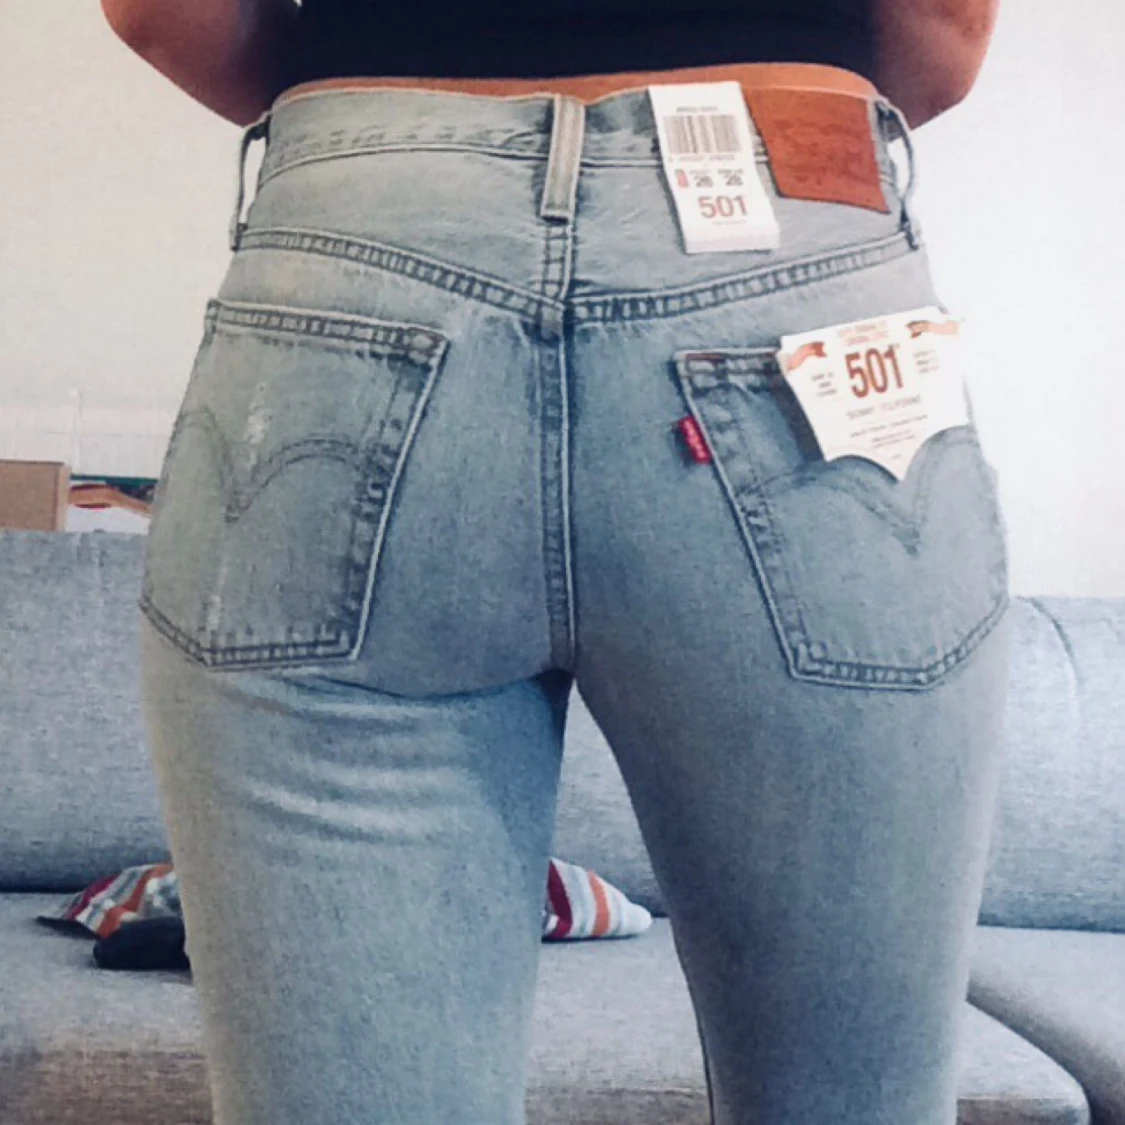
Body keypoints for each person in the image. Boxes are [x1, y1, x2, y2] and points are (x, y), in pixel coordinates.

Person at [106, 2, 1011, 1123]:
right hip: (790, 257)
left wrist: (406, 139)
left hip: (356, 243)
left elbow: (161, 14)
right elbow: (941, 39)